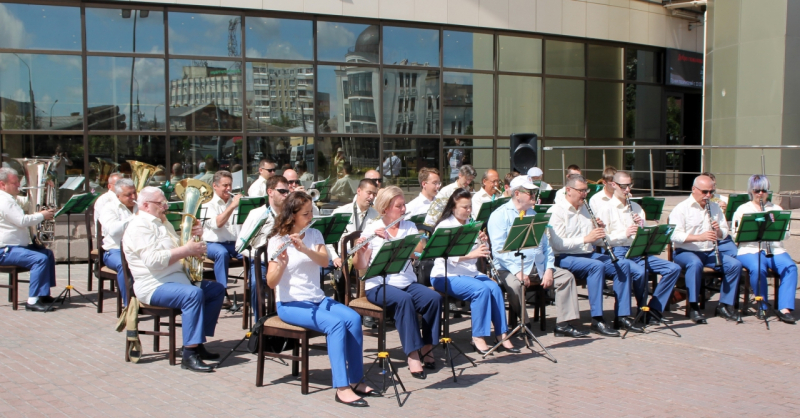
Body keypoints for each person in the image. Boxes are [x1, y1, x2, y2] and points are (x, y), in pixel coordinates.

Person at [266, 192, 377, 407]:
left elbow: (324, 261)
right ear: (292, 215)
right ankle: (342, 388)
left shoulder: (315, 234)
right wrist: (281, 264)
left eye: (311, 212)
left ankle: (356, 379)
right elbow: (271, 282)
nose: (311, 217)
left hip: (316, 298)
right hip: (290, 304)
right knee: (335, 324)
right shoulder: (277, 240)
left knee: (353, 319)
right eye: (306, 214)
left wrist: (304, 249)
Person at [123, 187, 225, 372]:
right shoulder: (140, 226)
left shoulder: (163, 223)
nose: (166, 206)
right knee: (193, 295)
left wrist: (196, 237)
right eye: (161, 203)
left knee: (216, 290)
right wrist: (187, 250)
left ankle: (197, 342)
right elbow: (153, 261)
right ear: (145, 205)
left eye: (165, 202)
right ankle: (189, 355)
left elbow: (180, 248)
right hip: (154, 285)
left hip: (177, 279)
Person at [353, 186, 442, 379]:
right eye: (399, 206)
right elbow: (360, 265)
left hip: (406, 282)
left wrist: (407, 243)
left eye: (404, 205)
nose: (404, 209)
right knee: (404, 300)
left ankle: (427, 347)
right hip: (378, 286)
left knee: (433, 298)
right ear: (385, 209)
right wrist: (361, 250)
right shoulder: (372, 229)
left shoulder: (408, 226)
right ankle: (412, 354)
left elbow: (418, 253)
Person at [489, 176, 587, 338]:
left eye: (535, 192)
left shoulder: (534, 214)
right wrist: (517, 271)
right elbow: (499, 251)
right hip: (508, 268)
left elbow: (546, 246)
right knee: (516, 285)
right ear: (517, 194)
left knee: (566, 277)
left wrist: (548, 268)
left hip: (537, 265)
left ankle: (563, 324)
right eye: (530, 192)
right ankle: (524, 324)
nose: (534, 195)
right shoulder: (499, 215)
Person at [547, 174, 641, 336]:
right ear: (569, 190)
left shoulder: (585, 209)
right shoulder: (557, 211)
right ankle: (597, 319)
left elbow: (596, 241)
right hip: (563, 257)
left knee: (623, 264)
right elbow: (557, 244)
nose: (585, 194)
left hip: (586, 255)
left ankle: (622, 316)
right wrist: (586, 239)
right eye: (581, 191)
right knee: (596, 266)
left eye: (586, 190)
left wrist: (600, 232)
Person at [432, 188, 519, 353]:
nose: (469, 210)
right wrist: (471, 254)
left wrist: (484, 242)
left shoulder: (471, 224)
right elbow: (445, 255)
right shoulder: (445, 227)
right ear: (453, 207)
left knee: (494, 288)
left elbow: (482, 252)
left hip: (469, 273)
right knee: (481, 290)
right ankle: (478, 336)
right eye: (464, 207)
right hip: (445, 274)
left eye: (470, 206)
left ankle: (501, 334)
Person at [598, 171, 680, 325]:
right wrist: (624, 234)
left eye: (629, 185)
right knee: (640, 272)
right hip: (617, 252)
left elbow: (646, 234)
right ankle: (640, 310)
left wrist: (642, 226)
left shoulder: (636, 207)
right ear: (613, 185)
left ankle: (653, 309)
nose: (627, 190)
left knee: (673, 269)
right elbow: (600, 240)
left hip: (638, 250)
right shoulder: (606, 209)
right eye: (623, 186)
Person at [669, 174, 742, 324]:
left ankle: (725, 305)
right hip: (686, 251)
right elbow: (674, 235)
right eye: (705, 192)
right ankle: (694, 306)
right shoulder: (681, 209)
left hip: (709, 252)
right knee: (695, 264)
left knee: (734, 265)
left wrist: (718, 231)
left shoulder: (715, 207)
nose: (708, 196)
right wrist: (699, 237)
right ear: (694, 189)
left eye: (711, 192)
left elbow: (724, 231)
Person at [732, 175, 796, 324]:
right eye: (757, 190)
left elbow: (786, 234)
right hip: (749, 249)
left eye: (764, 190)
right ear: (751, 191)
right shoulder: (743, 210)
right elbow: (735, 234)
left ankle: (785, 308)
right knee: (757, 268)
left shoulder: (776, 209)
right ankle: (762, 305)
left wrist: (775, 226)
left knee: (790, 267)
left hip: (774, 249)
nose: (760, 193)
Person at [0, 167, 57, 312]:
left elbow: (28, 203)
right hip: (5, 250)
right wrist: (42, 215)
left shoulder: (10, 198)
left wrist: (46, 192)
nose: (19, 185)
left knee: (47, 254)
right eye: (15, 183)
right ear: (2, 184)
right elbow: (22, 221)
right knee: (39, 259)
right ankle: (32, 301)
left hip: (15, 247)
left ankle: (43, 294)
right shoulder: (4, 201)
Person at [237, 176, 290, 323]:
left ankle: (288, 319)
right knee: (255, 284)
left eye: (288, 192)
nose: (286, 195)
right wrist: (261, 257)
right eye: (282, 191)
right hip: (261, 263)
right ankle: (259, 323)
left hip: (285, 262)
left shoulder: (290, 214)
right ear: (270, 192)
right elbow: (239, 246)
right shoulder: (257, 214)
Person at [327, 179, 379, 302]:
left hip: (366, 257)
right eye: (369, 193)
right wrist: (335, 257)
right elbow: (328, 240)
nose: (371, 197)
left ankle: (369, 303)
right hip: (344, 258)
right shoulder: (340, 212)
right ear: (359, 191)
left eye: (374, 194)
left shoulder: (376, 214)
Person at [202, 171, 243, 308]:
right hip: (213, 243)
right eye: (225, 185)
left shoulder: (236, 202)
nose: (229, 189)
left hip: (234, 243)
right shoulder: (208, 204)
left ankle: (256, 287)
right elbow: (218, 224)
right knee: (221, 253)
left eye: (230, 185)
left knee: (253, 253)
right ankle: (222, 293)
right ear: (215, 186)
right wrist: (232, 206)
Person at [98, 178, 138, 307]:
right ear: (118, 196)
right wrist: (136, 217)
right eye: (128, 195)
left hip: (137, 248)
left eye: (134, 193)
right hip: (115, 250)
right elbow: (113, 230)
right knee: (124, 264)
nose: (133, 197)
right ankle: (129, 306)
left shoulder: (139, 206)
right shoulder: (108, 208)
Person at [701, 172, 737, 258]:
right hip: (706, 237)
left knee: (736, 253)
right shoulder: (699, 199)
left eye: (714, 185)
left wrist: (727, 211)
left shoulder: (724, 199)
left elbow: (730, 223)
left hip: (721, 235)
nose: (713, 188)